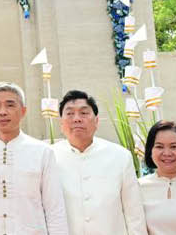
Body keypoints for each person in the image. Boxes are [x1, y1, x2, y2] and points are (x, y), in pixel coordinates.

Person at [0, 81, 68, 234]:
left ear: (23, 111)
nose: (2, 112)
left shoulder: (42, 152)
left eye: (10, 105)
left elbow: (55, 208)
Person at [49, 89, 146, 234]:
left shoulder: (120, 156)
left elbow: (134, 214)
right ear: (61, 124)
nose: (77, 119)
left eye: (84, 113)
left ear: (96, 121)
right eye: (69, 113)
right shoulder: (48, 157)